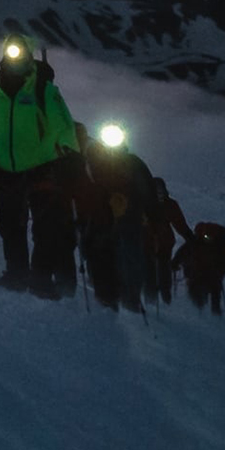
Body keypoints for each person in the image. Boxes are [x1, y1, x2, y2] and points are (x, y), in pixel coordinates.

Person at [0, 37, 82, 297]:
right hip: (4, 169)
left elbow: (63, 126)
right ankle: (17, 275)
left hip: (41, 168)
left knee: (46, 227)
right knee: (10, 225)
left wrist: (70, 157)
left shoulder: (43, 89)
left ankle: (40, 279)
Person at [76, 121, 156, 311]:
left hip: (129, 217)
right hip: (105, 216)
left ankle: (130, 296)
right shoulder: (94, 162)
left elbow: (148, 188)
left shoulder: (133, 163)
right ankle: (108, 290)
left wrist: (151, 213)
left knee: (129, 255)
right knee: (103, 250)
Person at [146, 176, 196, 304]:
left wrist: (189, 236)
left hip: (163, 244)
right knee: (155, 270)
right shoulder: (148, 204)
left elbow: (179, 223)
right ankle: (154, 297)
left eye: (160, 190)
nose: (159, 193)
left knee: (162, 270)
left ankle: (162, 297)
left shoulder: (167, 205)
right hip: (151, 242)